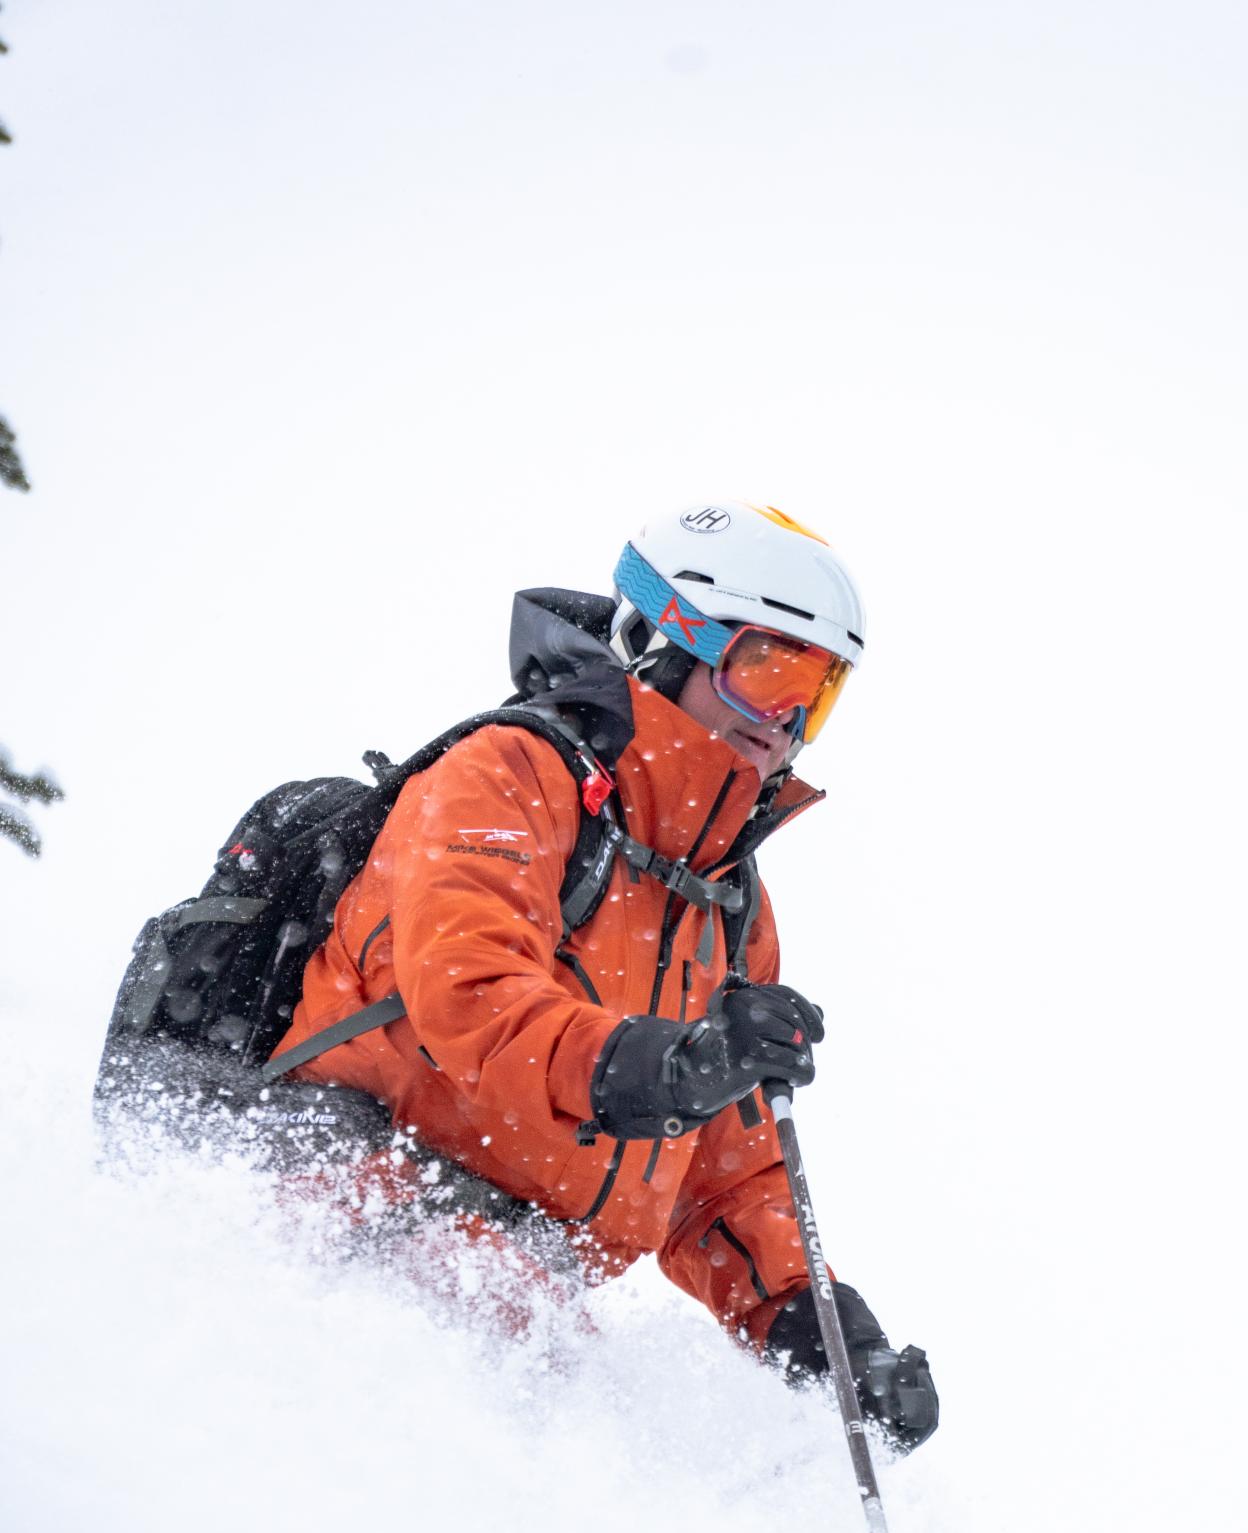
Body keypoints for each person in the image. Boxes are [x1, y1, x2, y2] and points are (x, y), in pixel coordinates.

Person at [266, 501, 937, 1447]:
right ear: (663, 641)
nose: (787, 718)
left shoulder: (728, 903)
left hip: (515, 1289)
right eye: (768, 670)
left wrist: (819, 1331)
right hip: (344, 1209)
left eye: (817, 693)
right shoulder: (507, 774)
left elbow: (723, 1177)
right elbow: (470, 998)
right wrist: (667, 1068)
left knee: (643, 1491)